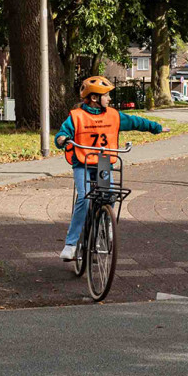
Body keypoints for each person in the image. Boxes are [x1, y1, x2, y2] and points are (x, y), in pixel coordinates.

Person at [53, 76, 166, 261]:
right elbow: (63, 133)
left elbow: (135, 121)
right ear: (95, 98)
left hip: (104, 163)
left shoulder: (113, 115)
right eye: (106, 95)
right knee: (85, 198)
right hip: (82, 163)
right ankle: (71, 244)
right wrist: (62, 139)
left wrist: (156, 128)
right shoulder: (77, 116)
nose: (110, 99)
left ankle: (102, 231)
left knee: (109, 196)